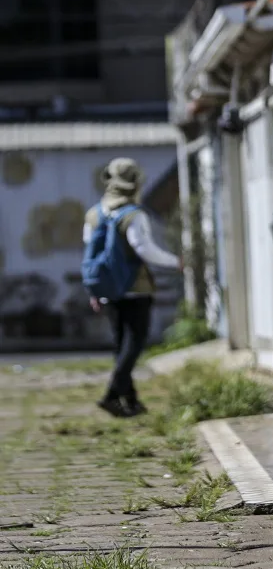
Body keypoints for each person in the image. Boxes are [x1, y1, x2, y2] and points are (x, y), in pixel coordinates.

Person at [84, 158, 182, 417]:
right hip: (135, 289)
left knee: (121, 345)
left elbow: (89, 251)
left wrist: (94, 290)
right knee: (135, 343)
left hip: (108, 289)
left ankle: (130, 401)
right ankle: (111, 394)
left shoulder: (94, 214)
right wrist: (176, 262)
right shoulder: (134, 215)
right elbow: (144, 250)